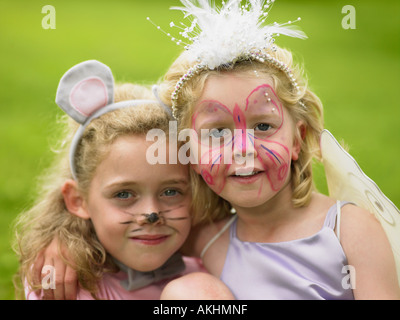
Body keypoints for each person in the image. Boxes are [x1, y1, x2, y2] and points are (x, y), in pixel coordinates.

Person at [32, 0, 400, 300]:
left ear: (298, 138)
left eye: (263, 126)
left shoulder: (347, 227)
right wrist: (62, 242)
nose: (242, 148)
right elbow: (116, 220)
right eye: (217, 133)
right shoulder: (206, 236)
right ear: (189, 152)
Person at [13, 60, 234, 300]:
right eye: (124, 194)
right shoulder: (65, 283)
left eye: (171, 192)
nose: (151, 214)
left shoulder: (212, 264)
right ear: (78, 200)